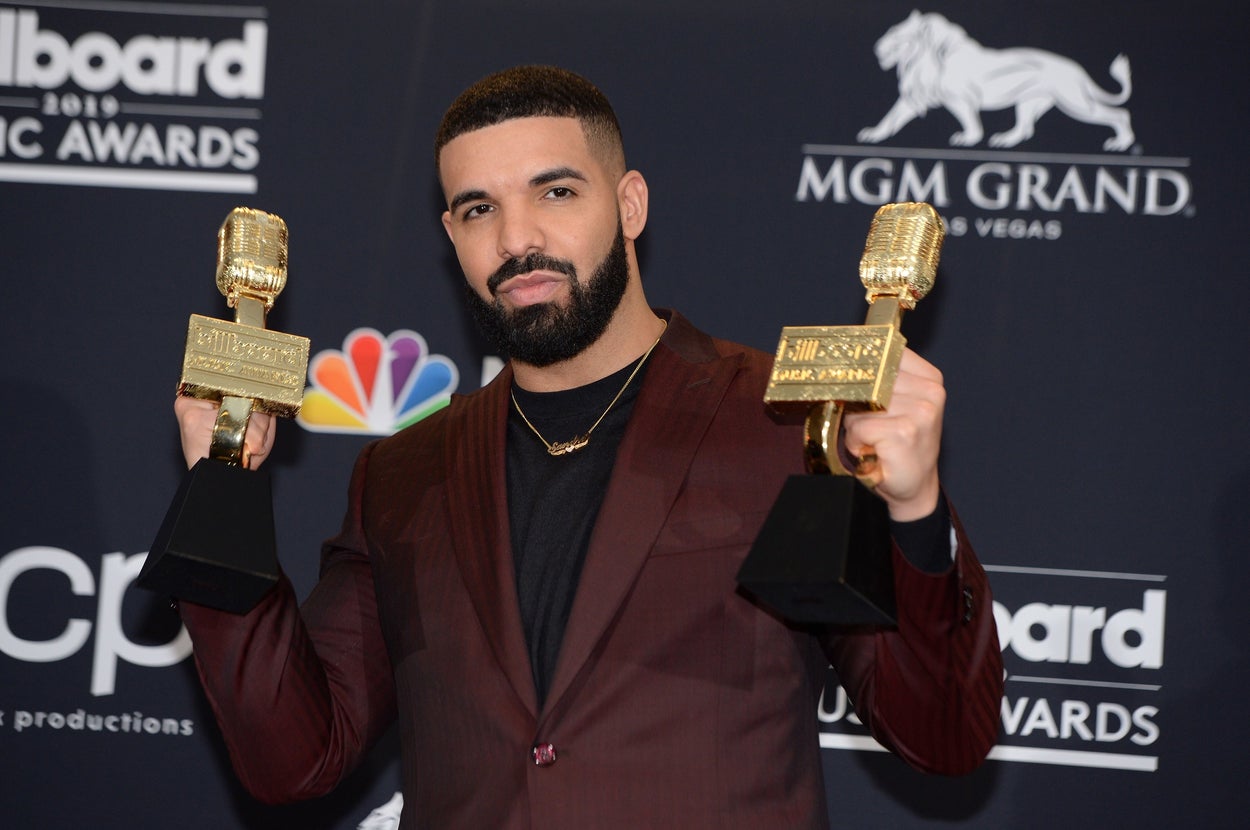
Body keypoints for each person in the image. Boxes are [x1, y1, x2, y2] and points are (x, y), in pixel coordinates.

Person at [173, 65, 1002, 829]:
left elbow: (942, 733)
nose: (516, 239)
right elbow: (296, 758)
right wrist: (222, 487)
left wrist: (914, 511)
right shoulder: (402, 473)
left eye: (557, 191)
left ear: (630, 204)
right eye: (479, 209)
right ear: (452, 234)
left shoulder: (785, 423)